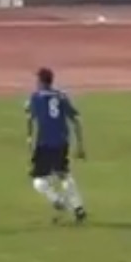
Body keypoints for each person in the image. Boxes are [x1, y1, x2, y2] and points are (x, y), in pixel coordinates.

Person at [25, 67, 87, 223]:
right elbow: (76, 119)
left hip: (44, 144)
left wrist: (29, 138)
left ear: (40, 81)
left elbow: (30, 118)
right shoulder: (61, 96)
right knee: (63, 174)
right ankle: (78, 207)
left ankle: (59, 201)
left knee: (39, 181)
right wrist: (80, 145)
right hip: (61, 142)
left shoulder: (36, 97)